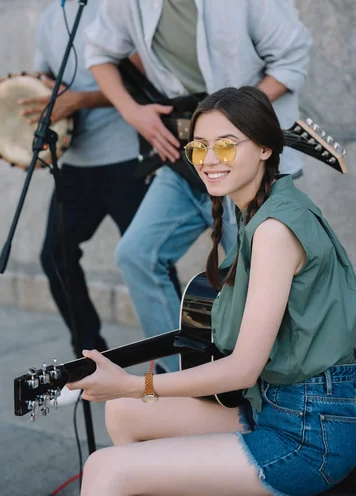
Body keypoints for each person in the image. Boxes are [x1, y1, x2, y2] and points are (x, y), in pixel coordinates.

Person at [67, 86, 356, 496]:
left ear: (264, 149)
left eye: (226, 145)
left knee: (106, 469)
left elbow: (242, 369)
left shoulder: (274, 230)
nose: (210, 160)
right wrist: (128, 393)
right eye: (199, 148)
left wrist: (135, 384)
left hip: (311, 431)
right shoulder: (263, 208)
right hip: (272, 403)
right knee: (123, 413)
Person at [84, 0, 312, 372]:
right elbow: (99, 52)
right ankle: (182, 380)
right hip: (186, 156)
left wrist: (238, 117)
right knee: (136, 253)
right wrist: (134, 112)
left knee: (246, 269)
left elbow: (292, 58)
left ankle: (257, 389)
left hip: (247, 162)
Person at [0, 0, 146, 397]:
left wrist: (85, 97)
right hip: (79, 166)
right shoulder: (51, 18)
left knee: (148, 261)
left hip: (130, 160)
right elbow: (46, 87)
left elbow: (145, 76)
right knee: (55, 257)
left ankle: (191, 363)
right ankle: (91, 356)